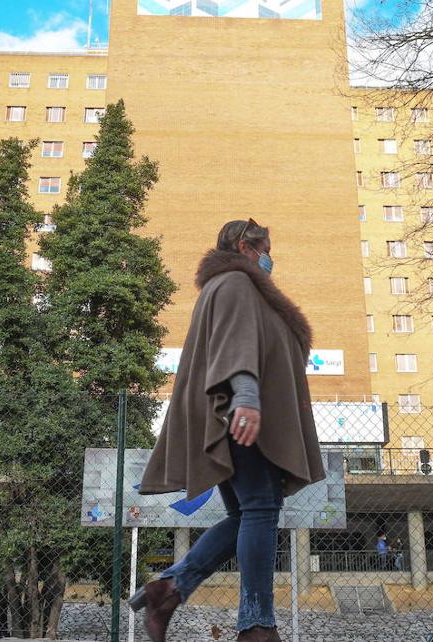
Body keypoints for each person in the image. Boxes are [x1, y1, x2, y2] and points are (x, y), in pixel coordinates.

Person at [132, 219, 326, 642]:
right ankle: (256, 625)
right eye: (265, 249)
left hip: (229, 413)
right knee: (259, 508)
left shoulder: (228, 287)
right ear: (245, 245)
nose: (269, 258)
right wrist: (248, 399)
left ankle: (171, 587)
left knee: (246, 513)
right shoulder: (237, 281)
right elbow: (235, 345)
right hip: (238, 413)